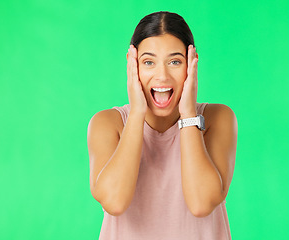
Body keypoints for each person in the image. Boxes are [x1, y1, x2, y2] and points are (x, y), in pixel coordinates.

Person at [87, 11, 237, 239]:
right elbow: (115, 203)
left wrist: (188, 112)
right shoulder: (108, 124)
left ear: (192, 64)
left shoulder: (218, 118)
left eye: (175, 62)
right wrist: (137, 112)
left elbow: (201, 204)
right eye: (149, 62)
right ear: (133, 65)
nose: (162, 76)